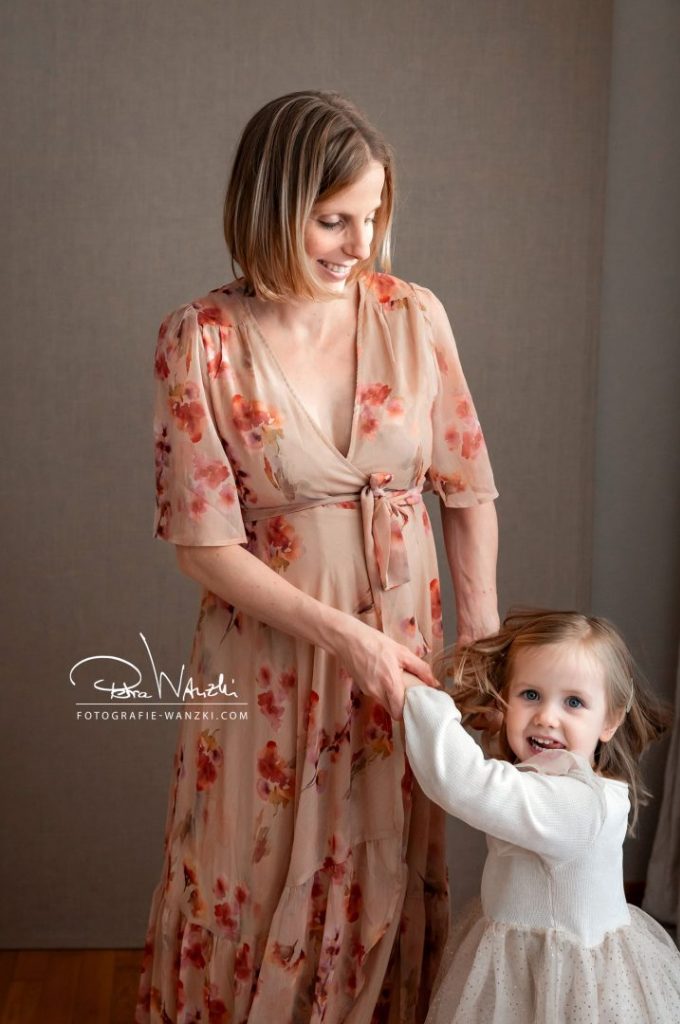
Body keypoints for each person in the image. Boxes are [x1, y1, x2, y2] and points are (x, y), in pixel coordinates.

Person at [136, 90, 499, 1024]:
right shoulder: (202, 341)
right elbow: (203, 545)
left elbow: (466, 488)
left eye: (372, 217)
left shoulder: (412, 316)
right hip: (272, 660)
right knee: (244, 872)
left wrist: (486, 645)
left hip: (404, 653)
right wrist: (346, 639)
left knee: (382, 862)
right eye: (331, 219)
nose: (358, 243)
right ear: (268, 206)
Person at [401, 609, 680, 1023]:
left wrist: (416, 697)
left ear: (610, 719)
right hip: (519, 961)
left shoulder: (576, 805)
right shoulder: (545, 779)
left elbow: (468, 783)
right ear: (505, 699)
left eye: (574, 702)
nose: (547, 717)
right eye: (530, 695)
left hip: (566, 981)